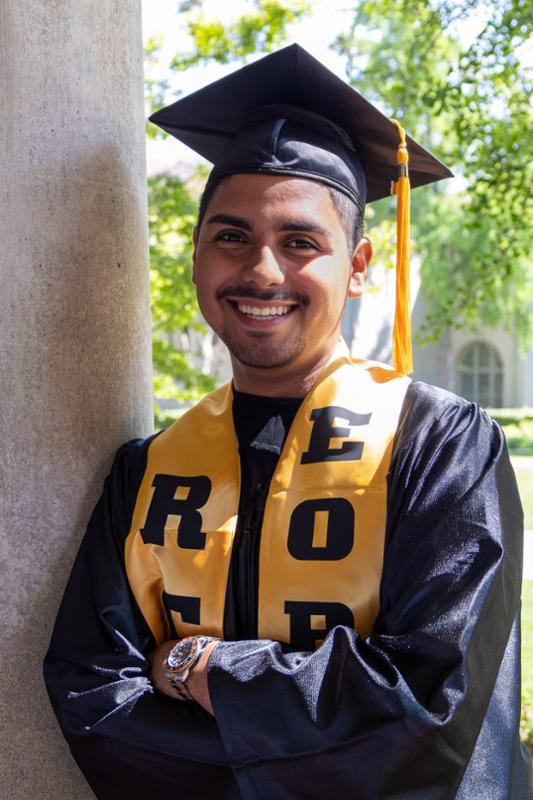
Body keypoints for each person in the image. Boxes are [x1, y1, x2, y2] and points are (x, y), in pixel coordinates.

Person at [43, 45, 532, 799]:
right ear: (197, 254)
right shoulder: (145, 468)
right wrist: (288, 724)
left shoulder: (440, 446)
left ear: (358, 266)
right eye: (230, 236)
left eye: (300, 242)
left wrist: (197, 667)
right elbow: (92, 694)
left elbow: (426, 705)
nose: (262, 271)